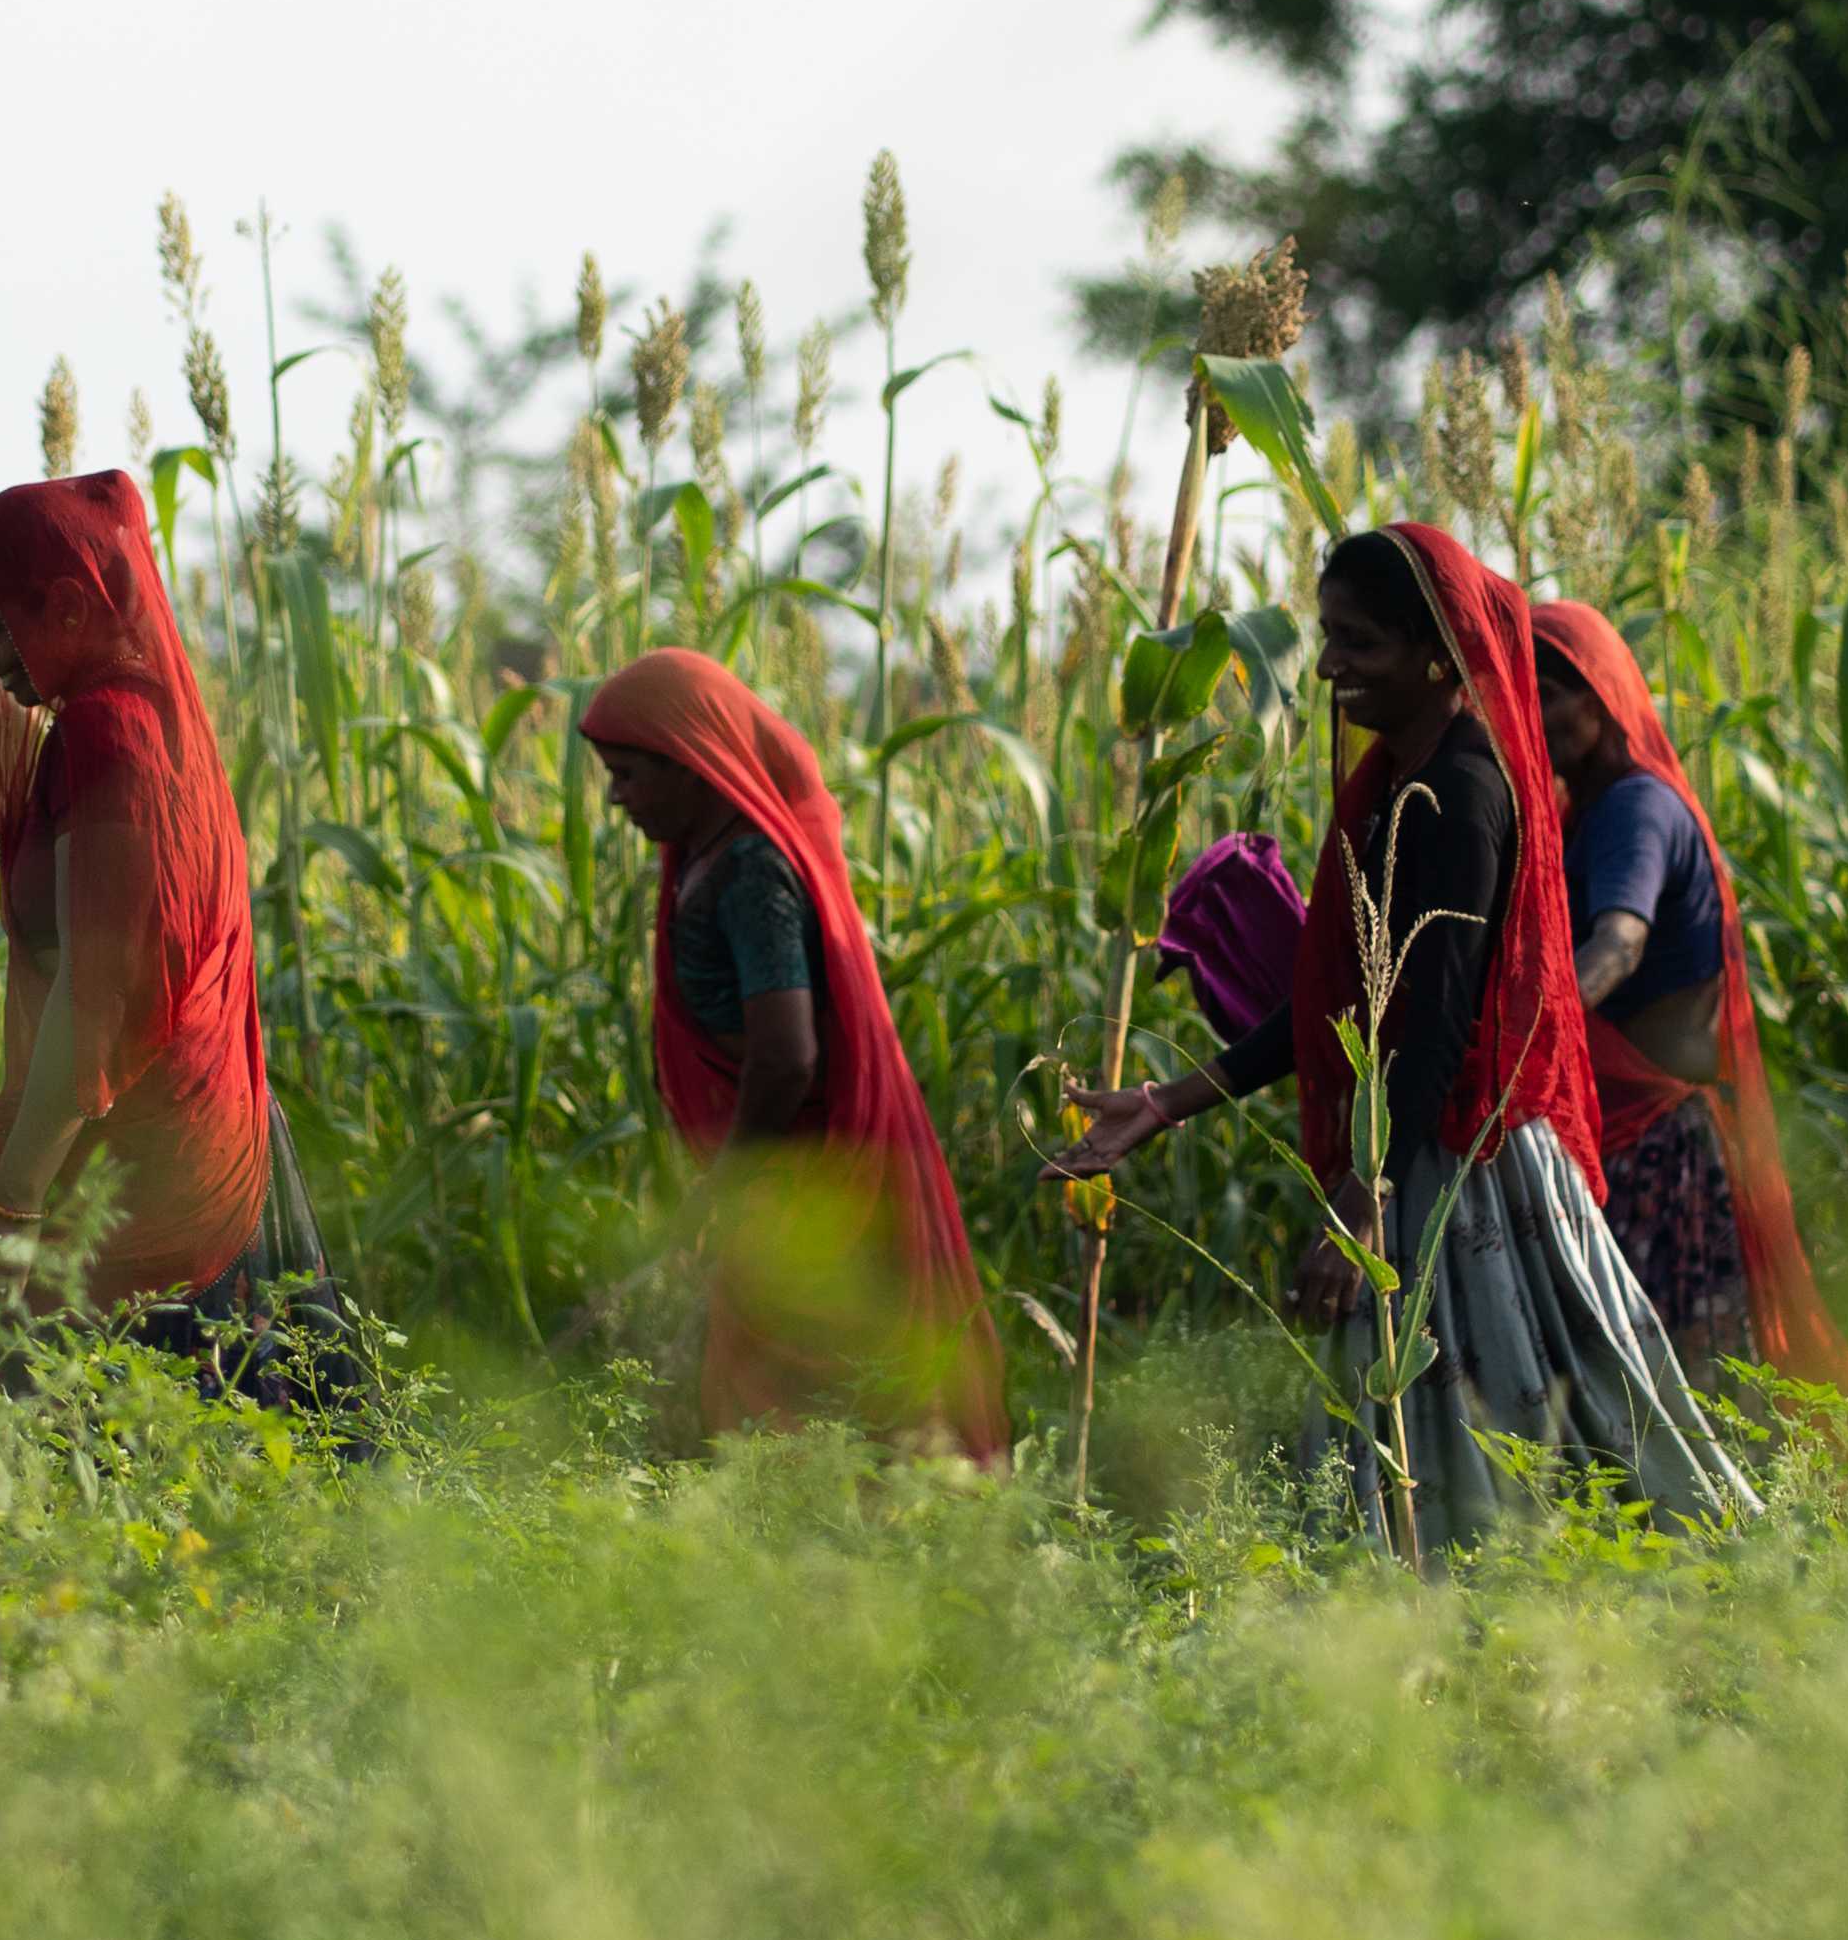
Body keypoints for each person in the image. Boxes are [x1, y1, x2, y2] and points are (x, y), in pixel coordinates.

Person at [1054, 523, 1747, 1549]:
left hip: (1468, 1157)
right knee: (1444, 1430)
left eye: (1359, 643)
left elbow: (1440, 1016)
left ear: (1437, 653)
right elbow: (1344, 1003)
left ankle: (1570, 1611)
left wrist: (1369, 1201)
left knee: (1545, 1426)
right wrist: (1161, 1103)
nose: (1331, 665)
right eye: (1328, 637)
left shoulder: (1462, 793)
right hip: (1414, 1148)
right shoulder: (1389, 785)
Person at [0, 473, 346, 1375]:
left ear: (64, 608)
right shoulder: (134, 723)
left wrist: (13, 1211)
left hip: (135, 1157)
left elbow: (98, 993)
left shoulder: (112, 734)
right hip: (142, 1126)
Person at [579, 646, 1010, 1467]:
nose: (616, 798)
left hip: (805, 1176)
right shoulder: (704, 860)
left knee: (801, 1405)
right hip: (782, 1172)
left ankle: (862, 1568)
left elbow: (786, 1055)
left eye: (629, 775)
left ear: (694, 766)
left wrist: (727, 1187)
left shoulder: (750, 875)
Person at [1530, 599, 1848, 1396]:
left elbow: (1620, 942)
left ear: (1604, 696)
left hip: (1662, 1147)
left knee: (1678, 1386)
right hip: (1633, 1133)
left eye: (1553, 692)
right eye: (1522, 694)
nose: (1534, 716)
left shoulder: (1633, 809)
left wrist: (1530, 1033)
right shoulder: (1582, 815)